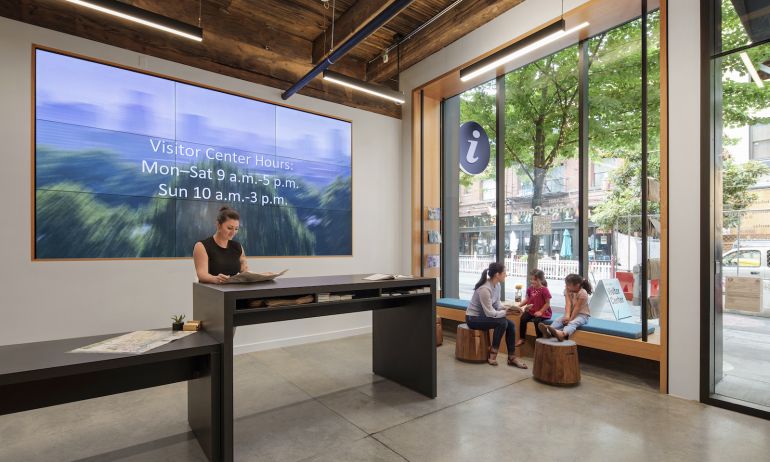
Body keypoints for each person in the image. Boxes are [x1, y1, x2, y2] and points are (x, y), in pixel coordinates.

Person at [466, 262, 528, 368]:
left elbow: (497, 304)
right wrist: (507, 312)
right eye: (504, 273)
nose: (506, 275)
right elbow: (490, 313)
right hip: (473, 318)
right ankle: (493, 353)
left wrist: (510, 308)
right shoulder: (485, 289)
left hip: (484, 316)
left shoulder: (497, 285)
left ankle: (511, 357)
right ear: (497, 275)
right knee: (502, 322)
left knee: (511, 325)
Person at [193, 206, 248, 284]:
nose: (233, 233)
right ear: (218, 225)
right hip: (213, 292)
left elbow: (244, 270)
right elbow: (202, 274)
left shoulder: (238, 247)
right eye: (229, 228)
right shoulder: (201, 246)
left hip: (236, 291)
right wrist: (215, 279)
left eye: (236, 229)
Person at [541, 273, 593, 341]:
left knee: (573, 323)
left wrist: (570, 319)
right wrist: (567, 317)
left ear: (577, 285)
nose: (566, 286)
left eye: (568, 285)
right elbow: (568, 304)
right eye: (566, 284)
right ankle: (548, 331)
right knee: (559, 320)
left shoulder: (582, 293)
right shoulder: (567, 290)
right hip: (571, 313)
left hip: (582, 316)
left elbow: (577, 308)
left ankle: (562, 334)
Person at [515, 269, 552, 347]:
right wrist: (518, 306)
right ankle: (522, 338)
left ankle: (539, 340)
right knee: (523, 318)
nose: (532, 281)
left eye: (535, 280)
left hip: (543, 312)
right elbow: (527, 299)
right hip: (532, 311)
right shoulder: (530, 289)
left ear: (541, 280)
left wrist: (541, 312)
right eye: (531, 279)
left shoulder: (544, 290)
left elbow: (547, 303)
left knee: (537, 321)